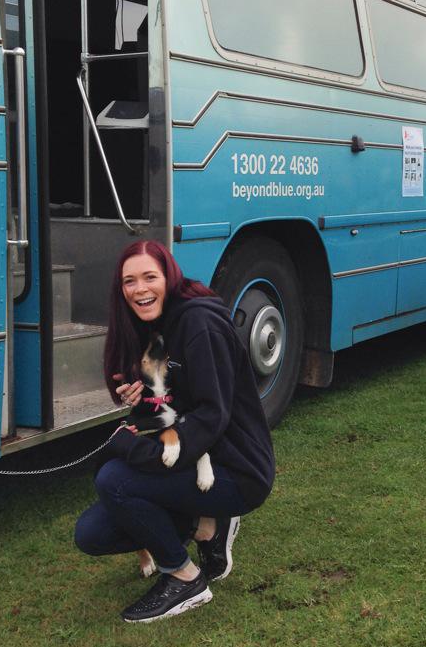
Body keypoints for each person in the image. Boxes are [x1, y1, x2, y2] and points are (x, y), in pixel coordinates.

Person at [74, 240, 275, 622]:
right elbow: (172, 403)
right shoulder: (154, 326)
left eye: (150, 277)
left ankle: (185, 579)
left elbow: (211, 415)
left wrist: (140, 451)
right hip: (197, 458)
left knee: (115, 480)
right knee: (92, 533)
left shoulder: (199, 324)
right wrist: (141, 397)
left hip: (238, 468)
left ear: (169, 277)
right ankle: (206, 525)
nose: (140, 289)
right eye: (129, 281)